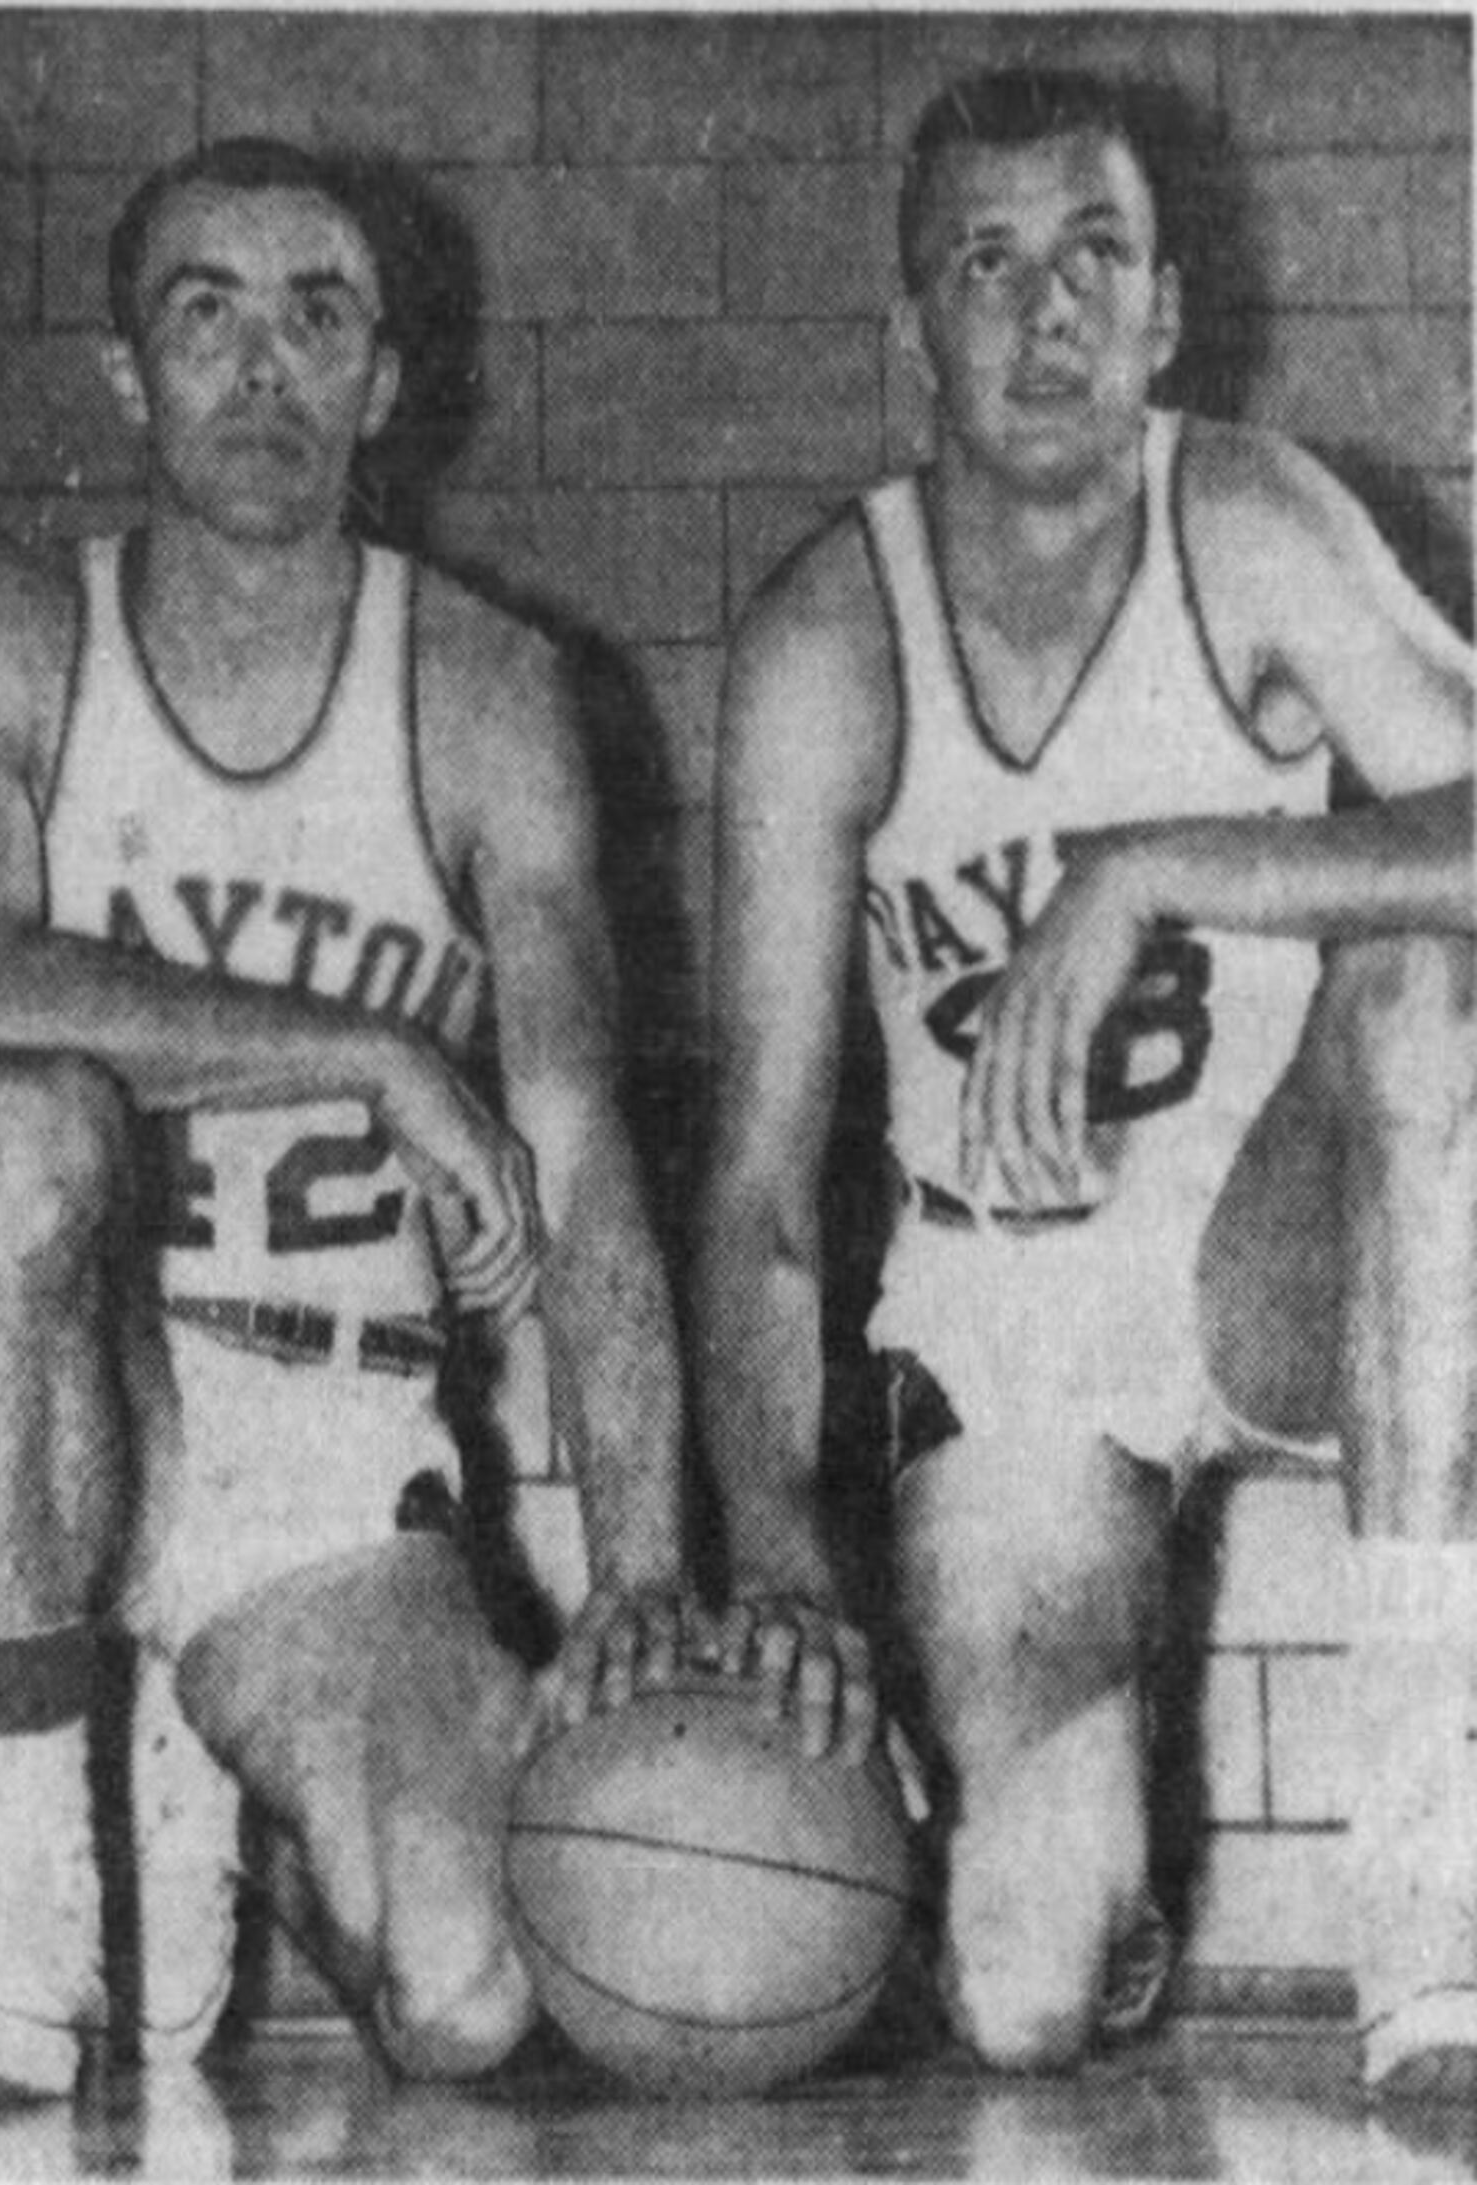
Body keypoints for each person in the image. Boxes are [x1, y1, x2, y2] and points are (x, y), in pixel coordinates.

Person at [695, 69, 1474, 2100]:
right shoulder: (825, 637)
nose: (1042, 313)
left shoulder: (1249, 519)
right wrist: (778, 1553)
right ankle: (1091, 1865)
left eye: (1090, 258)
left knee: (1416, 983)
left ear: (1163, 313)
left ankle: (1422, 1907)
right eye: (985, 262)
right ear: (908, 333)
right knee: (1022, 1995)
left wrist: (1152, 866)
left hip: (1277, 1226)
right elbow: (762, 1176)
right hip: (1007, 1308)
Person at [0, 136, 685, 2100]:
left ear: (384, 381)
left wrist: (654, 1571)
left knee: (487, 1997)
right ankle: (24, 1924)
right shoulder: (12, 619)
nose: (262, 367)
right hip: (79, 1381)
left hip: (330, 1457)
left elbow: (576, 1149)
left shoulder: (490, 689)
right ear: (124, 377)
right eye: (205, 313)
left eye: (316, 317)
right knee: (21, 1117)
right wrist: (374, 1048)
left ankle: (216, 1767)